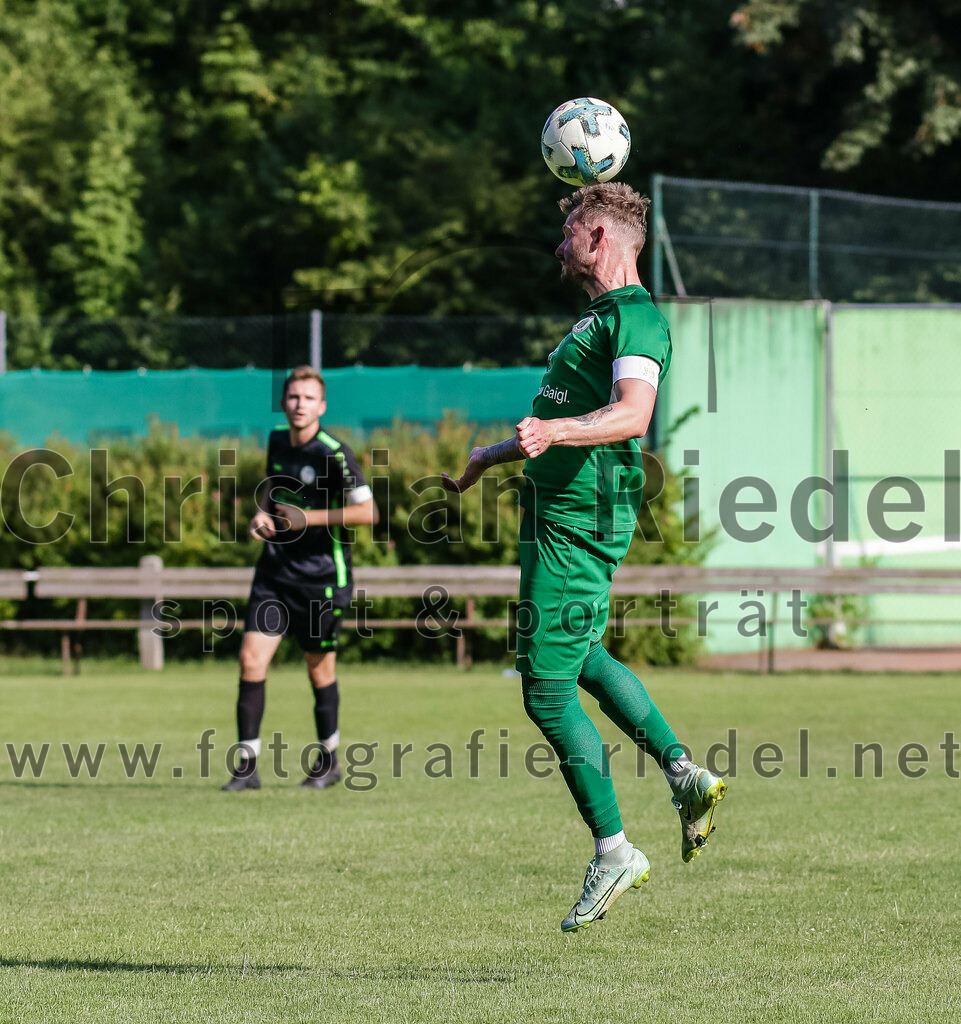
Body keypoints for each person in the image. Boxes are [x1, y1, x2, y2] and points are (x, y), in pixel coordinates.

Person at [441, 182, 726, 932]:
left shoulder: (636, 318)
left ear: (599, 235)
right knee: (585, 654)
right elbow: (563, 421)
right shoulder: (598, 320)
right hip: (561, 513)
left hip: (577, 519)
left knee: (544, 690)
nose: (560, 243)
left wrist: (552, 434)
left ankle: (614, 850)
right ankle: (683, 775)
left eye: (570, 229)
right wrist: (493, 453)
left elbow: (631, 414)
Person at [222, 366, 379, 792]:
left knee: (318, 670)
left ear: (321, 406)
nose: (299, 405)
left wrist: (308, 519)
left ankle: (329, 761)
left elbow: (368, 512)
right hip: (275, 572)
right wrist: (262, 513)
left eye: (308, 398)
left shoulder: (334, 453)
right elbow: (273, 489)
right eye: (293, 397)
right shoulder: (276, 440)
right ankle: (247, 768)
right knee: (251, 660)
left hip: (322, 578)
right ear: (283, 402)